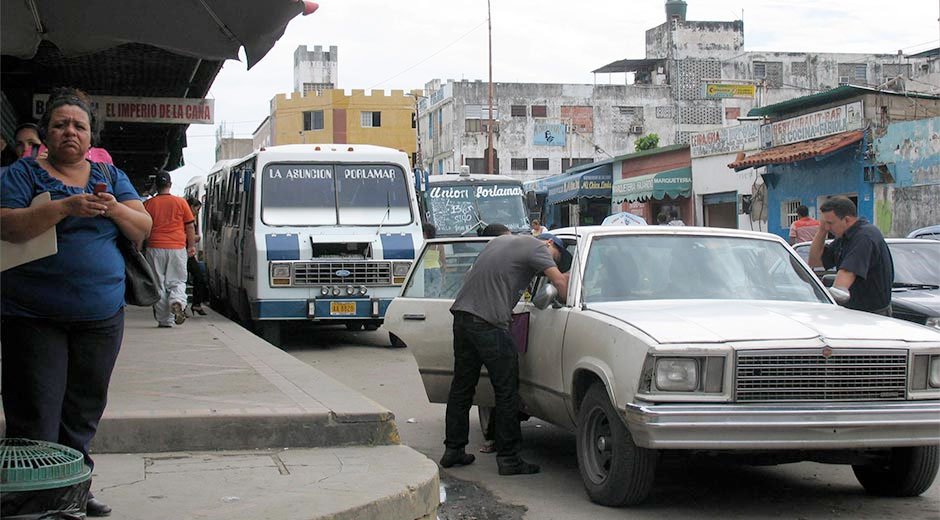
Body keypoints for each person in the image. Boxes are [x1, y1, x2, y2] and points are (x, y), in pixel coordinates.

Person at [0, 87, 152, 517]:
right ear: (46, 134)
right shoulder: (23, 174)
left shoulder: (112, 177)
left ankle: (74, 491)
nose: (70, 131)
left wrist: (112, 209)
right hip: (33, 316)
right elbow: (7, 225)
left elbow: (142, 225)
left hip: (101, 315)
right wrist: (65, 207)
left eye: (79, 126)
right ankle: (35, 500)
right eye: (61, 124)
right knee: (36, 412)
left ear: (91, 136)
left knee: (84, 409)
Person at [442, 232, 570, 476]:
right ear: (551, 244)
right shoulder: (539, 248)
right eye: (557, 259)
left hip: (462, 318)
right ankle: (509, 458)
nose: (551, 265)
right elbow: (561, 286)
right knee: (507, 390)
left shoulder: (501, 242)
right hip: (489, 323)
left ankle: (453, 450)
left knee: (461, 387)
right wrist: (566, 284)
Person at [809, 196, 894, 315]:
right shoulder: (845, 237)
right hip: (855, 312)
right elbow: (815, 261)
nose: (828, 227)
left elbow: (845, 277)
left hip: (871, 316)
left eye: (830, 223)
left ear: (847, 220)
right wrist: (822, 231)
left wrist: (827, 304)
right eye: (825, 223)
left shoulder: (864, 237)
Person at [144, 171, 196, 327]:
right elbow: (190, 226)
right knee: (178, 280)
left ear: (156, 186)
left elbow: (142, 228)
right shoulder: (181, 202)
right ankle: (178, 302)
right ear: (170, 185)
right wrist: (191, 246)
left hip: (154, 247)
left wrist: (138, 246)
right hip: (177, 248)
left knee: (158, 284)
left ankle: (165, 320)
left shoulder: (148, 204)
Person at [186, 197, 209, 316]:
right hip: (184, 253)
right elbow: (184, 234)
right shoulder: (186, 218)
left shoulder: (190, 218)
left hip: (188, 254)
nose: (198, 212)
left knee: (198, 276)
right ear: (190, 207)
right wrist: (195, 238)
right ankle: (192, 304)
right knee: (198, 276)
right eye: (197, 209)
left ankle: (195, 304)